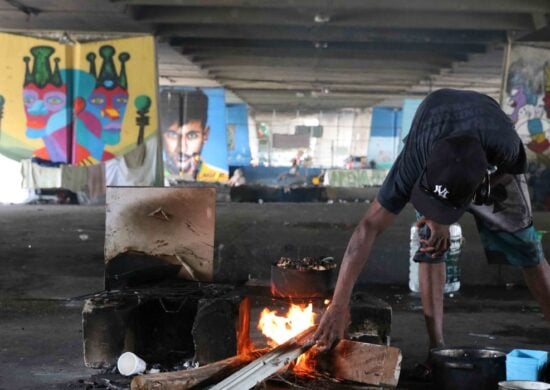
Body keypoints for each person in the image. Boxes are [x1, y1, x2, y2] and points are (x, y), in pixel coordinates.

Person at [314, 89, 550, 362]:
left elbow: (510, 170)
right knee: (428, 239)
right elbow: (368, 227)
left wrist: (456, 207)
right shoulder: (414, 161)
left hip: (492, 168)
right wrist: (338, 304)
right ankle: (437, 348)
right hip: (437, 130)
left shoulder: (505, 144)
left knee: (527, 249)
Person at [160, 89, 226, 181]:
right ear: (160, 136)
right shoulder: (151, 179)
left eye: (192, 136)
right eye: (172, 135)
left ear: (205, 135)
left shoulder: (221, 179)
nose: (182, 148)